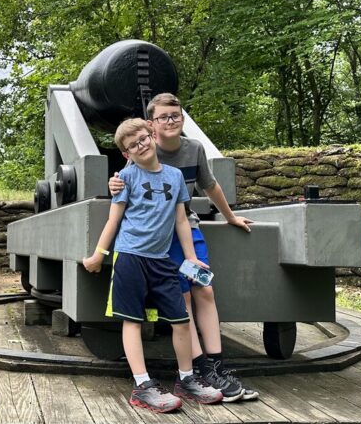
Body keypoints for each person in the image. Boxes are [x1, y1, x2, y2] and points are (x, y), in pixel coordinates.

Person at [109, 93, 259, 401]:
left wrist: (229, 216)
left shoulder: (194, 149)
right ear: (151, 125)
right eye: (163, 117)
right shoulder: (146, 149)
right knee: (183, 297)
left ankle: (215, 366)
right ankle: (199, 368)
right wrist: (112, 184)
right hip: (157, 240)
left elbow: (210, 185)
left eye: (176, 116)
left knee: (204, 288)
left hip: (186, 229)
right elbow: (124, 182)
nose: (171, 122)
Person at [82, 118, 223, 412]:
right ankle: (142, 385)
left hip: (162, 260)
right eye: (132, 145)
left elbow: (181, 220)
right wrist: (98, 254)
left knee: (181, 320)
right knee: (132, 320)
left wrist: (190, 256)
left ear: (152, 136)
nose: (141, 145)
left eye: (143, 139)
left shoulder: (173, 177)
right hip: (131, 257)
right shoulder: (126, 178)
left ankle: (186, 379)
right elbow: (114, 219)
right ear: (126, 154)